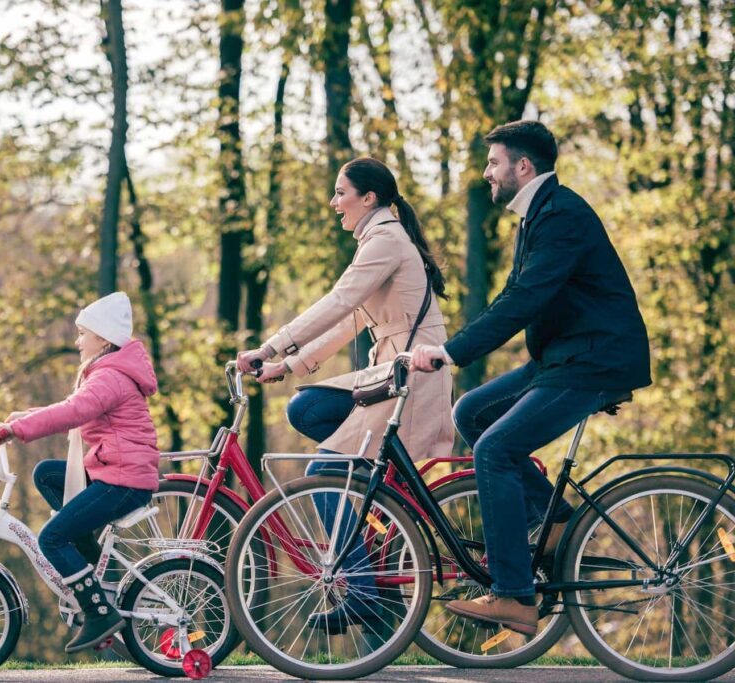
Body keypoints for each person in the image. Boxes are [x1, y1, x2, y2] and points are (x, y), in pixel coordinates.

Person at [412, 120, 651, 636]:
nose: (487, 173)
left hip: (593, 360)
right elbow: (512, 297)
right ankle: (557, 521)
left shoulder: (561, 215)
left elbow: (526, 301)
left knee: (494, 450)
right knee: (471, 413)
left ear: (523, 167)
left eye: (494, 163)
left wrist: (450, 352)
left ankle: (515, 596)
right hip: (561, 357)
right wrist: (450, 350)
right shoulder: (537, 217)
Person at [237, 156, 454, 633]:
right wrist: (289, 365)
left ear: (368, 197)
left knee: (325, 468)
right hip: (393, 372)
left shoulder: (385, 240)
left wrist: (271, 345)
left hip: (411, 378)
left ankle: (363, 588)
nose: (334, 203)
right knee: (308, 407)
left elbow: (340, 302)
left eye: (341, 193)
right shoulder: (383, 239)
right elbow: (354, 319)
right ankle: (373, 518)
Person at [0, 291, 160, 653]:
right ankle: (87, 552)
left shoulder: (110, 375)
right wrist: (26, 417)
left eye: (82, 333)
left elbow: (74, 412)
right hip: (115, 472)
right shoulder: (109, 372)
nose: (77, 341)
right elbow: (73, 407)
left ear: (103, 338)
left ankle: (98, 613)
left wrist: (16, 431)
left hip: (122, 480)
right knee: (47, 474)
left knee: (51, 538)